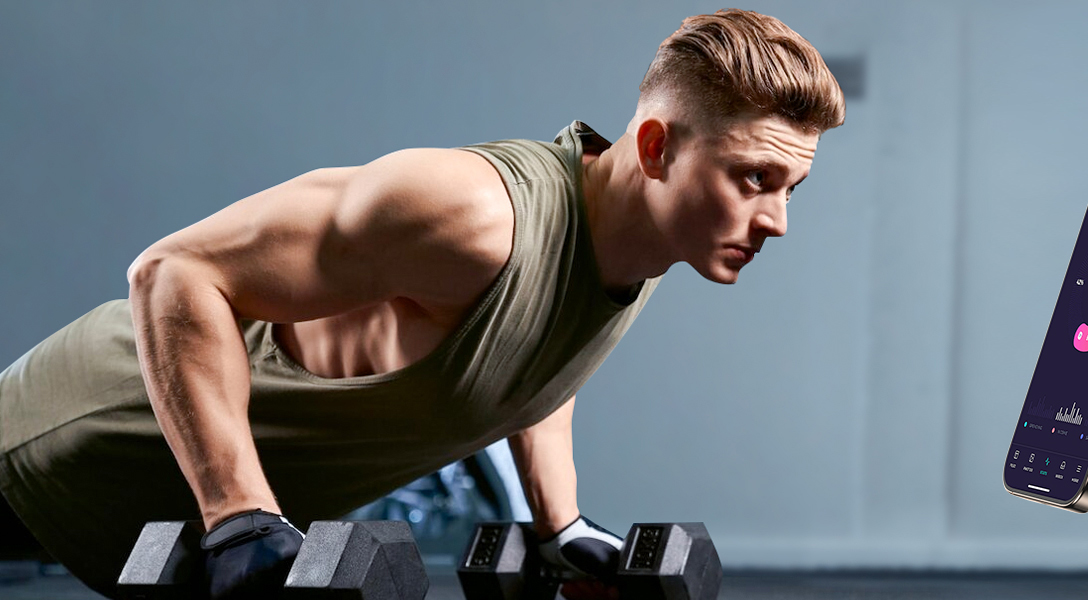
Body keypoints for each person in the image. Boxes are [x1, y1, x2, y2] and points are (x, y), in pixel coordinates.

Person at [0, 7, 844, 599]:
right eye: (755, 179)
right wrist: (241, 516)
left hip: (137, 520)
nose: (775, 220)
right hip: (61, 442)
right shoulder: (471, 214)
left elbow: (541, 351)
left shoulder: (640, 245)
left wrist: (560, 524)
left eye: (792, 187)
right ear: (656, 148)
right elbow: (171, 271)